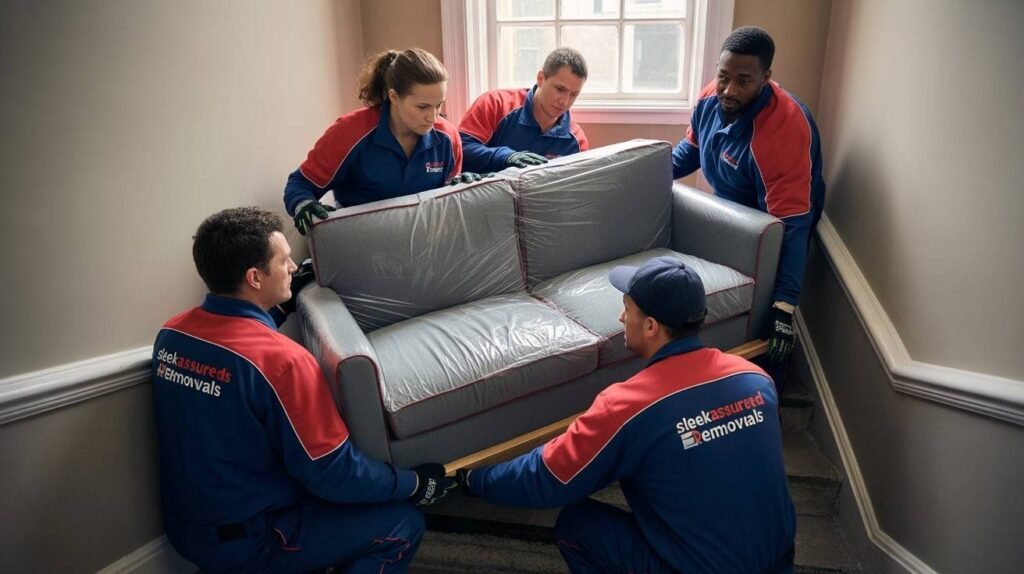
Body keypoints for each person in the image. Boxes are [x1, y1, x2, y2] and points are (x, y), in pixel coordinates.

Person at [152, 207, 456, 573]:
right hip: (254, 539)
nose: (294, 267)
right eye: (284, 261)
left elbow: (234, 353)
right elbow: (334, 474)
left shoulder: (173, 335)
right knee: (401, 525)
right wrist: (413, 484)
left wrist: (279, 306)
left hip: (188, 529)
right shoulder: (284, 363)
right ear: (254, 277)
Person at [458, 256, 796, 573]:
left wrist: (474, 480)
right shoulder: (754, 377)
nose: (621, 319)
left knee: (576, 524)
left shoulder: (629, 405)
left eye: (627, 309)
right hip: (779, 559)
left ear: (650, 326)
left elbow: (547, 478)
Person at [672, 26, 826, 364]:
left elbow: (793, 226)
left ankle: (766, 386)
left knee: (764, 321)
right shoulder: (710, 99)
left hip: (773, 225)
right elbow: (691, 151)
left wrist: (784, 307)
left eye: (743, 81)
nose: (728, 89)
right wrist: (648, 172)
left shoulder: (782, 131)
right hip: (729, 212)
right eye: (723, 75)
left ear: (766, 78)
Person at [283, 48, 485, 236]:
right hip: (361, 243)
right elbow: (300, 183)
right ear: (394, 97)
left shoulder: (448, 137)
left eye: (438, 105)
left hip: (425, 245)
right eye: (422, 107)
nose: (432, 118)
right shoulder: (349, 132)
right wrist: (302, 204)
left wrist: (460, 188)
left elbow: (447, 202)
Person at [459, 47, 589, 173]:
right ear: (541, 78)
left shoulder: (577, 142)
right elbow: (460, 150)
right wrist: (505, 157)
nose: (565, 101)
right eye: (560, 89)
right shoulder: (494, 104)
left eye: (573, 95)